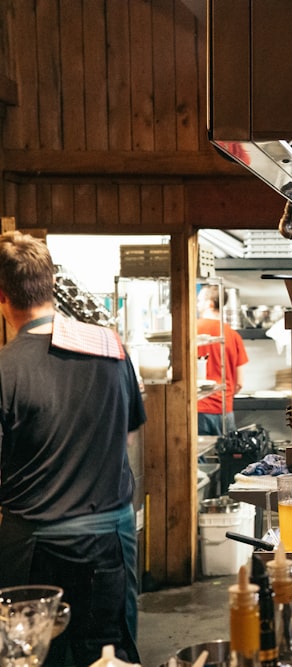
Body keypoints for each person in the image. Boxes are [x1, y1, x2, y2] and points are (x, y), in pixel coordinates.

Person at [0, 231, 145, 666]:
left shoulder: (5, 368)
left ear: (2, 296)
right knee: (108, 656)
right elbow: (129, 435)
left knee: (34, 658)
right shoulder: (110, 347)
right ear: (51, 284)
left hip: (33, 550)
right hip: (109, 542)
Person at [196, 283, 249, 435]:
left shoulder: (191, 330)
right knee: (227, 457)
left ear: (209, 303)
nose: (197, 305)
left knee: (197, 457)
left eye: (199, 301)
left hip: (199, 408)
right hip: (225, 410)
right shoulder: (233, 335)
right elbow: (239, 383)